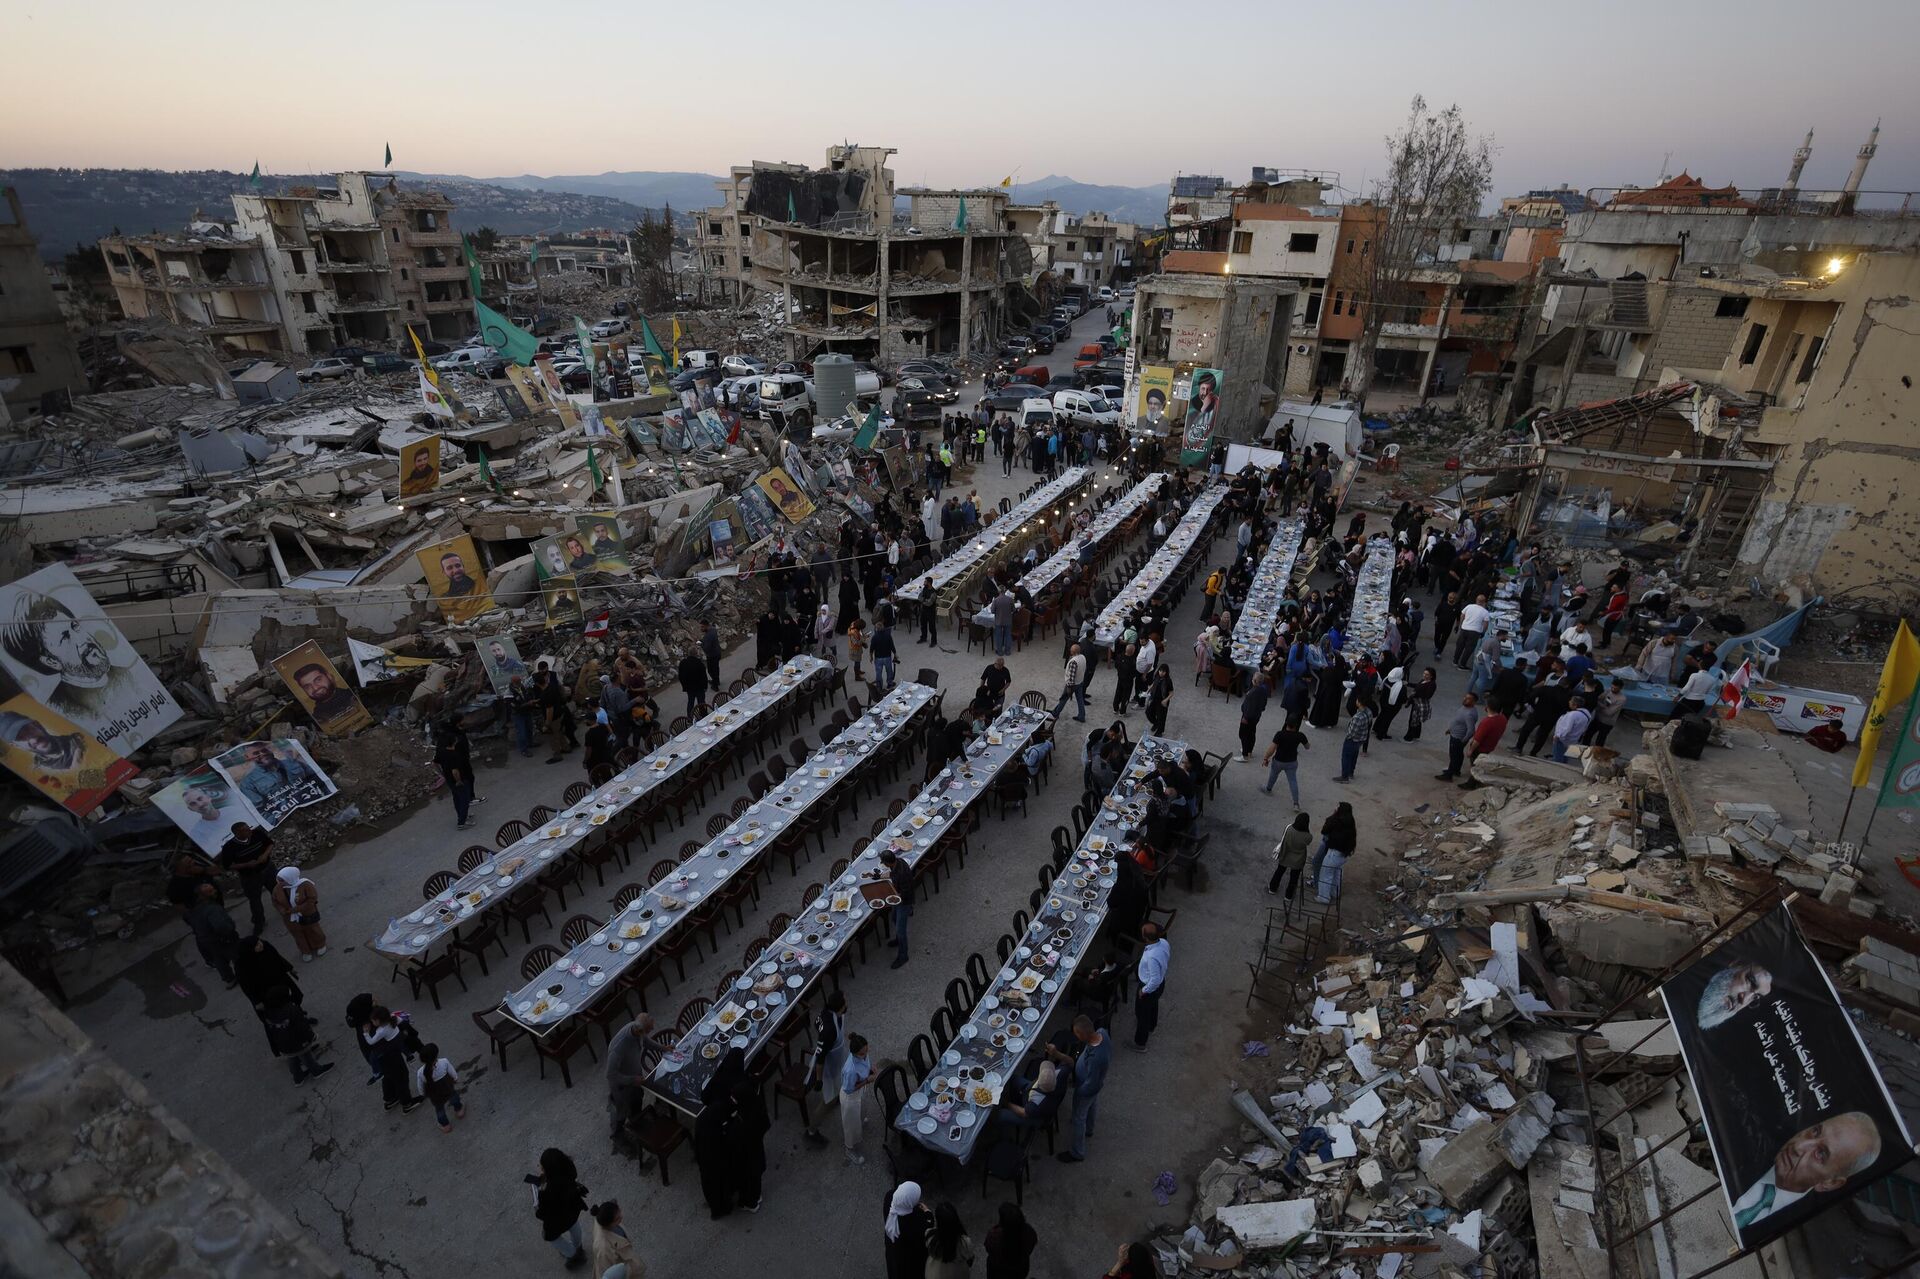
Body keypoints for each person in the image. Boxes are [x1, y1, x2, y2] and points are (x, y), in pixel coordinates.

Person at [1730, 1113, 1882, 1230]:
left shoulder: (1797, 1218)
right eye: (1815, 1131)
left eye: (1820, 1154)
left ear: (1830, 1183)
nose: (1798, 1146)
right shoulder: (1750, 1138)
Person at [1048, 1015, 1110, 1163]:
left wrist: (1079, 1092)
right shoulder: (1102, 1033)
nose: (1075, 1036)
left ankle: (1077, 1152)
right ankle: (1089, 1129)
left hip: (1087, 1087)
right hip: (1094, 1085)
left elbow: (1092, 1084)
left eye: (1076, 1033)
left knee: (1078, 1117)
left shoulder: (1096, 1059)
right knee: (1092, 1104)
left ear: (1082, 1034)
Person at [694, 1048, 742, 1218]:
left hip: (706, 1158)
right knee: (723, 1178)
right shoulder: (737, 1082)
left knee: (710, 1182)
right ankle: (726, 1203)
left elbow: (705, 1097)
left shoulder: (702, 1123)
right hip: (718, 1155)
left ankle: (718, 1208)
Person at [801, 990, 849, 1148]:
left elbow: (817, 1024)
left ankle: (835, 1098)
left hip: (835, 1062)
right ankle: (811, 1131)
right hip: (828, 1069)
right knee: (827, 1101)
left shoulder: (827, 1014)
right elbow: (820, 1058)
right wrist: (819, 1080)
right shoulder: (829, 1030)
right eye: (844, 1001)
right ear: (840, 1007)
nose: (847, 1003)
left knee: (835, 1092)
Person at [605, 1016, 658, 1158]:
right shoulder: (618, 1048)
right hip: (621, 1086)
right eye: (649, 1029)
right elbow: (611, 1075)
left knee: (636, 1099)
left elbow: (646, 1041)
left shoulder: (636, 1031)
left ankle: (635, 1122)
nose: (651, 1030)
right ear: (639, 1030)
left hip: (634, 1079)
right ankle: (617, 1136)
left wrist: (664, 1049)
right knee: (620, 1110)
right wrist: (633, 1080)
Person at [528, 1147, 589, 1269]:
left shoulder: (545, 1191)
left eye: (542, 1166)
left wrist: (536, 1195)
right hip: (572, 1208)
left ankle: (572, 1254)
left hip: (556, 1219)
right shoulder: (569, 1169)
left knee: (552, 1237)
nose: (540, 1167)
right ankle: (578, 1247)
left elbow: (541, 1213)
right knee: (574, 1225)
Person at [260, 984, 331, 1086]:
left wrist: (275, 1048)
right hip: (298, 1042)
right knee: (306, 1056)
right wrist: (311, 1036)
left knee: (292, 1058)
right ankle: (316, 1071)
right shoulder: (292, 1010)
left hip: (283, 1045)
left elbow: (269, 1032)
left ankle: (298, 1077)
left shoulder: (268, 1013)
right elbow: (302, 1026)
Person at [216, 822, 276, 935]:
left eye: (248, 828)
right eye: (244, 830)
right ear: (236, 833)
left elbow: (270, 844)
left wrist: (265, 855)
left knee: (277, 890)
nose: (249, 831)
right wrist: (247, 864)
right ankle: (259, 922)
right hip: (250, 876)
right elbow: (228, 865)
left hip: (268, 869)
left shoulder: (257, 834)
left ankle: (286, 908)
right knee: (255, 901)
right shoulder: (229, 847)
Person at [362, 1005, 421, 1113]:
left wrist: (366, 1032)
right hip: (390, 1055)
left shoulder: (379, 1029)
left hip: (382, 1056)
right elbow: (403, 1022)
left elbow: (370, 1043)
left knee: (389, 1076)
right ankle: (407, 1103)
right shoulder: (390, 1020)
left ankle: (390, 1099)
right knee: (401, 1077)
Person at [186, 883, 241, 986]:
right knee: (236, 956)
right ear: (202, 895)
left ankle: (229, 979)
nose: (215, 892)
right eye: (210, 891)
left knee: (219, 959)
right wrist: (230, 929)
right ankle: (244, 975)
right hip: (222, 939)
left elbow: (189, 919)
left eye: (213, 889)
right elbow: (221, 926)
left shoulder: (195, 909)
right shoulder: (212, 909)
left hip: (207, 940)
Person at [233, 934, 301, 1015]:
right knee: (278, 1009)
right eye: (257, 945)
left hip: (280, 978)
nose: (261, 944)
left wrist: (290, 968)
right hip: (264, 990)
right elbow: (246, 986)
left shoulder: (265, 946)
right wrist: (256, 1002)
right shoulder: (242, 964)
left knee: (296, 995)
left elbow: (277, 957)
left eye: (259, 941)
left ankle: (298, 1014)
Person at [271, 866, 326, 960]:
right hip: (290, 918)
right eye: (279, 880)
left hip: (306, 914)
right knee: (298, 935)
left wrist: (296, 909)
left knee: (313, 930)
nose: (279, 883)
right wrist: (281, 910)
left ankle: (320, 944)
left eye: (282, 880)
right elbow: (275, 901)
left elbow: (312, 899)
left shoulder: (305, 885)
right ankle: (306, 951)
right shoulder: (277, 889)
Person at [411, 1041, 466, 1133]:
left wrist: (422, 1094)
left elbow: (420, 1086)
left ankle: (445, 1126)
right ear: (436, 1054)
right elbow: (452, 1072)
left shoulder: (421, 1072)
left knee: (439, 1108)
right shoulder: (444, 1062)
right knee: (454, 1097)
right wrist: (455, 1078)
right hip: (448, 1088)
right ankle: (459, 1110)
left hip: (434, 1094)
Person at [884, 1182, 934, 1279]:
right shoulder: (914, 1224)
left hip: (893, 1253)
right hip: (910, 1261)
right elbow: (928, 1225)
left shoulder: (889, 1198)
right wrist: (928, 1213)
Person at [1133, 922, 1169, 1051]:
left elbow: (1155, 979)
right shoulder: (1163, 943)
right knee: (1153, 1006)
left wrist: (1144, 990)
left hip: (1150, 986)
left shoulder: (1152, 957)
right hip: (1160, 985)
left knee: (1142, 1014)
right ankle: (1151, 1025)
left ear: (1146, 938)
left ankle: (1140, 1043)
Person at [291, 661, 361, 727]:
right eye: (307, 686)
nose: (315, 688)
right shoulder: (316, 718)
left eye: (318, 680)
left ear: (329, 676)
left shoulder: (356, 695)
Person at [1458, 699, 1510, 790]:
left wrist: (1470, 750)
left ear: (1488, 707)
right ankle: (1476, 780)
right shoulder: (1503, 718)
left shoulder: (1487, 722)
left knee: (1475, 765)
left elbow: (1477, 740)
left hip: (1480, 748)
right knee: (1480, 763)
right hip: (1490, 746)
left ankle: (1471, 783)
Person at [434, 721, 476, 830]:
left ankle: (462, 816)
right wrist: (459, 780)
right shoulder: (453, 755)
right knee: (464, 799)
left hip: (449, 779)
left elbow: (435, 763)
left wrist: (442, 774)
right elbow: (455, 771)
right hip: (458, 779)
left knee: (457, 798)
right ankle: (462, 822)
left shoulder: (441, 752)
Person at [1260, 714, 1309, 805]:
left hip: (1278, 760)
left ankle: (1268, 789)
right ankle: (1296, 803)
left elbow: (1272, 748)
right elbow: (1307, 747)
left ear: (1286, 723)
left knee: (1273, 775)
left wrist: (1266, 758)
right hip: (1292, 762)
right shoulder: (1300, 735)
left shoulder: (1280, 734)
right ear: (1296, 725)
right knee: (1292, 781)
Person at [839, 1032, 872, 1164]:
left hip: (859, 1093)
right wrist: (868, 1080)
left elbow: (866, 1063)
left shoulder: (862, 1054)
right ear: (854, 1053)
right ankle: (849, 1149)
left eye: (866, 1050)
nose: (865, 1054)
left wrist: (871, 1070)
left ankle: (860, 1123)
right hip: (850, 1099)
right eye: (863, 1053)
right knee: (850, 1127)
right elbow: (849, 1088)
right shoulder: (850, 1070)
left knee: (862, 1111)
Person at [588, 1201, 641, 1279]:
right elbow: (609, 1272)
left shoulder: (602, 1216)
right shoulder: (604, 1249)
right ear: (608, 1224)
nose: (621, 1216)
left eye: (619, 1210)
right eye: (617, 1219)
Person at [984, 1202, 1037, 1279]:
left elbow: (987, 1248)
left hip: (998, 1273)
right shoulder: (1029, 1233)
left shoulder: (994, 1237)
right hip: (1021, 1270)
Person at [1316, 802, 1356, 902]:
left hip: (1333, 853)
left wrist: (1334, 814)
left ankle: (1323, 897)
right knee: (1336, 874)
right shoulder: (1350, 821)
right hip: (1344, 853)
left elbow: (1324, 830)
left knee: (1325, 875)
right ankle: (1334, 892)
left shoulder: (1335, 821)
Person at [1436, 692, 1480, 781]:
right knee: (1458, 754)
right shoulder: (1465, 707)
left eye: (1468, 699)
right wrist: (1450, 729)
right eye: (1465, 697)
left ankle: (1449, 775)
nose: (1464, 699)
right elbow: (1458, 721)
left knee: (1454, 756)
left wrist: (1463, 740)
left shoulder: (1469, 714)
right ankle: (1456, 770)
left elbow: (1471, 730)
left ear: (1474, 702)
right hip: (1455, 735)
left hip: (1458, 738)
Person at [925, 1202, 976, 1279]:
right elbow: (970, 1260)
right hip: (957, 1273)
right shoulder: (964, 1242)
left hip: (935, 1273)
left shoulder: (930, 1236)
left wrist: (927, 1212)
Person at [1268, 811, 1313, 899]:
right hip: (1298, 859)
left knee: (1279, 872)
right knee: (1294, 878)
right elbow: (1307, 843)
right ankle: (1288, 896)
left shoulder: (1289, 829)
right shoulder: (1308, 836)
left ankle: (1272, 888)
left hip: (1286, 854)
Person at [884, 849, 914, 968]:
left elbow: (905, 893)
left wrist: (891, 897)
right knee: (894, 919)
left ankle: (903, 956)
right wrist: (878, 876)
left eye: (884, 863)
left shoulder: (902, 873)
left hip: (904, 902)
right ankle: (897, 940)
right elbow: (891, 874)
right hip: (898, 898)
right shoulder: (898, 862)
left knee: (901, 931)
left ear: (888, 863)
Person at [1335, 702, 1373, 783]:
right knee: (1354, 756)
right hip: (1361, 739)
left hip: (1353, 739)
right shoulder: (1369, 711)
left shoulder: (1358, 717)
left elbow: (1352, 732)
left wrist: (1348, 737)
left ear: (1359, 702)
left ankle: (1344, 777)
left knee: (1346, 757)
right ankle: (1350, 773)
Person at [1237, 673, 1270, 761]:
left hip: (1248, 717)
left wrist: (1245, 717)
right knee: (1251, 733)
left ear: (1255, 681)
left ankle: (1245, 755)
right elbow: (1263, 705)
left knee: (1243, 734)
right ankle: (1249, 751)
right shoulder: (1263, 690)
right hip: (1256, 716)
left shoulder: (1254, 692)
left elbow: (1250, 707)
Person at [1550, 695, 1592, 763]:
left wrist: (1558, 736)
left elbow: (1567, 729)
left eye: (1571, 701)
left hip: (1563, 740)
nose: (1569, 702)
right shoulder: (1587, 715)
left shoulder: (1572, 715)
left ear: (1575, 705)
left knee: (1557, 759)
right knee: (1565, 758)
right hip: (1574, 740)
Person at [1586, 678, 1627, 747]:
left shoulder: (1621, 699)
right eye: (1612, 687)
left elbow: (1609, 713)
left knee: (1600, 740)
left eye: (1615, 688)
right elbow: (1598, 698)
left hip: (1607, 723)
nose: (1613, 689)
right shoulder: (1608, 691)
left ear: (1621, 688)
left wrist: (1599, 705)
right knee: (1588, 735)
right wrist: (1603, 706)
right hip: (1597, 718)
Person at [1055, 644, 1089, 723]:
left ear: (1073, 652)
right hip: (1080, 681)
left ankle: (1055, 713)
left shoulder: (1074, 662)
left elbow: (1071, 677)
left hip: (1073, 684)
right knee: (1080, 699)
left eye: (1071, 650)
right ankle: (1081, 716)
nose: (1070, 651)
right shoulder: (1083, 657)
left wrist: (1069, 688)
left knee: (1063, 698)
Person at [676, 648, 709, 721]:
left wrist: (684, 686)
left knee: (690, 702)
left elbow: (680, 676)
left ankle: (689, 717)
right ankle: (704, 715)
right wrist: (705, 686)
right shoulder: (699, 663)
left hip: (689, 688)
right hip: (699, 687)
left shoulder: (683, 663)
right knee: (701, 702)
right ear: (696, 654)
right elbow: (704, 676)